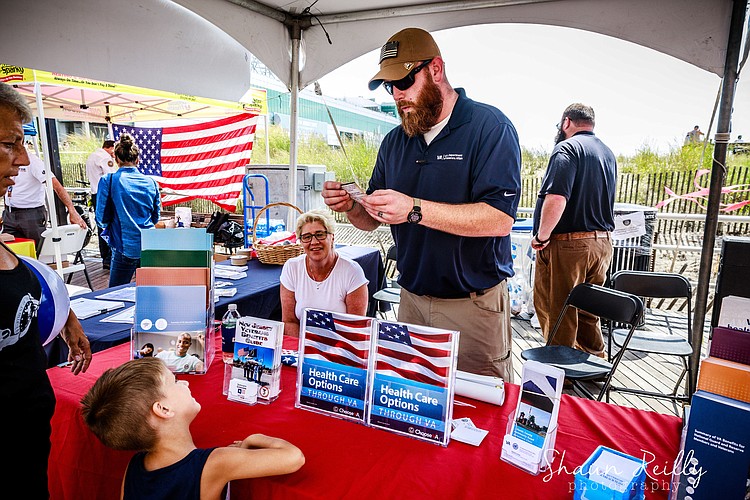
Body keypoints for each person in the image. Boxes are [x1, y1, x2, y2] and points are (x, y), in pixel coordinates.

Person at [321, 28, 522, 382]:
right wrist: (352, 207)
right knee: (412, 407)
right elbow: (373, 220)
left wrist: (414, 209)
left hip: (472, 307)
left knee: (480, 412)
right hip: (410, 300)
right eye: (390, 86)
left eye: (405, 80)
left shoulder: (489, 128)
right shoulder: (394, 142)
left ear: (436, 70)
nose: (398, 94)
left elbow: (499, 220)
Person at [0, 81, 93, 498]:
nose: (21, 159)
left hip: (28, 447)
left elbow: (22, 274)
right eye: (9, 144)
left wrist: (67, 316)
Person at [80, 357, 305, 499]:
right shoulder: (215, 463)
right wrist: (255, 438)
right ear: (163, 409)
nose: (185, 383)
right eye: (175, 380)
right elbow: (294, 458)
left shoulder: (135, 466)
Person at [530, 103, 616, 357]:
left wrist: (541, 236)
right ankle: (595, 364)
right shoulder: (607, 153)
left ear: (566, 123)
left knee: (557, 310)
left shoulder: (567, 148)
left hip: (569, 245)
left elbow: (556, 198)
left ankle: (560, 372)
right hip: (602, 243)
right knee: (588, 310)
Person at [279, 209, 369, 337]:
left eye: (320, 234)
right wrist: (303, 350)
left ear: (332, 237)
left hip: (340, 346)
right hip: (303, 346)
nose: (314, 242)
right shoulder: (291, 267)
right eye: (307, 237)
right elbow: (289, 321)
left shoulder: (352, 271)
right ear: (301, 241)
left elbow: (355, 328)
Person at [95, 132, 160, 287]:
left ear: (116, 159)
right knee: (151, 295)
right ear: (137, 159)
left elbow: (101, 218)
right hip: (150, 246)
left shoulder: (108, 180)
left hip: (124, 247)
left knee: (115, 294)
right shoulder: (151, 182)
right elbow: (155, 217)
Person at [1, 149, 87, 249]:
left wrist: (72, 211)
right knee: (8, 250)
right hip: (9, 213)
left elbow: (57, 187)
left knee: (39, 249)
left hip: (31, 214)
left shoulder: (33, 161)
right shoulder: (6, 161)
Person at [85, 139, 115, 268]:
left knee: (101, 226)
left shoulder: (92, 156)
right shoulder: (104, 158)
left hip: (96, 193)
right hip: (106, 194)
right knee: (110, 225)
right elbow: (112, 177)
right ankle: (110, 257)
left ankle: (105, 258)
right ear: (110, 147)